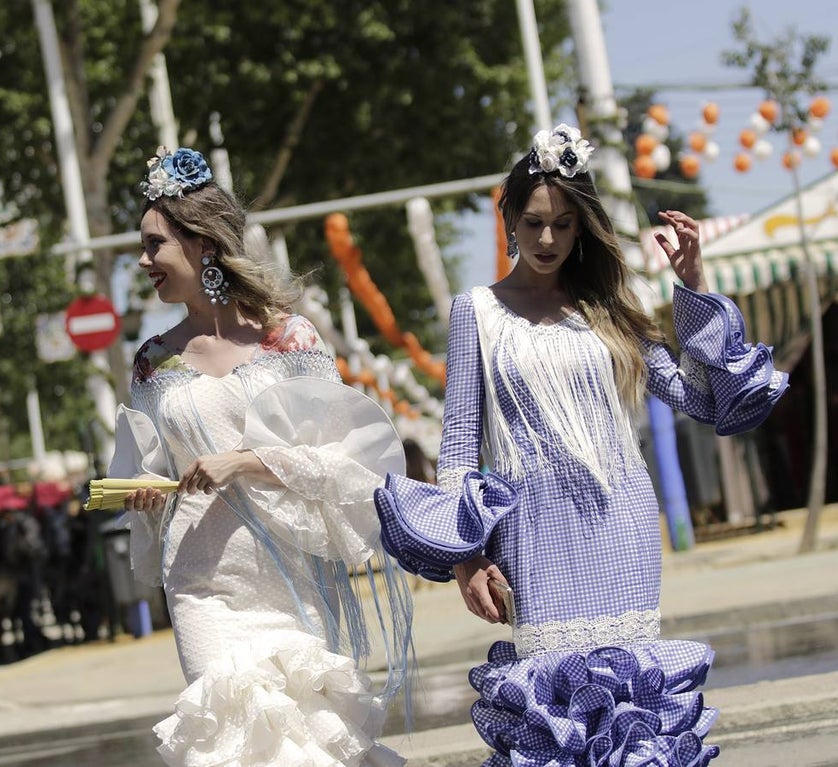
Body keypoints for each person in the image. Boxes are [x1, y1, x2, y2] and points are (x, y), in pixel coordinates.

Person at [381, 125, 787, 766]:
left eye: (565, 224)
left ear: (582, 228)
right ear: (509, 218)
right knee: (554, 719)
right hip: (534, 534)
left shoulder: (611, 304)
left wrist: (695, 285)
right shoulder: (476, 310)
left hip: (621, 523)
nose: (548, 239)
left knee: (633, 717)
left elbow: (702, 401)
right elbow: (459, 445)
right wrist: (465, 558)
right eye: (535, 221)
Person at [112, 147, 414, 766]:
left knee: (305, 744)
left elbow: (343, 460)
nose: (143, 262)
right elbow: (152, 466)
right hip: (201, 583)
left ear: (202, 245)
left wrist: (243, 461)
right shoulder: (151, 361)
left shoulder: (290, 339)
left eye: (154, 246)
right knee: (230, 743)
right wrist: (143, 493)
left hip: (290, 578)